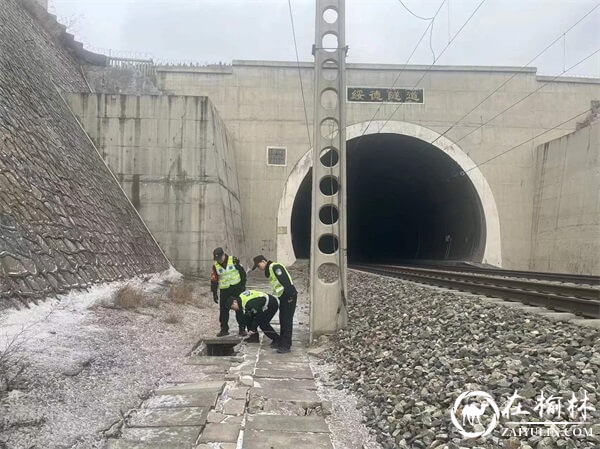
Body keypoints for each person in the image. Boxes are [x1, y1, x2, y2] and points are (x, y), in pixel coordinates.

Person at [251, 255, 297, 353]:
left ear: (263, 261)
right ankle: (282, 342)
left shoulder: (275, 267)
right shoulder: (271, 270)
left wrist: (290, 297)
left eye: (259, 266)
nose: (259, 269)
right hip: (284, 297)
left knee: (286, 321)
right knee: (283, 320)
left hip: (288, 296)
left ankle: (286, 346)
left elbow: (286, 282)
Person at [210, 247, 247, 337]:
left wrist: (243, 285)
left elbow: (242, 273)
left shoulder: (233, 260)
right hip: (224, 290)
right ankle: (224, 329)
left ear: (223, 255)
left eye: (220, 258)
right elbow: (214, 280)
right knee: (223, 311)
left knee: (239, 309)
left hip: (236, 288)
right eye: (217, 259)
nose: (219, 261)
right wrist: (214, 293)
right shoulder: (215, 266)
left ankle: (242, 329)